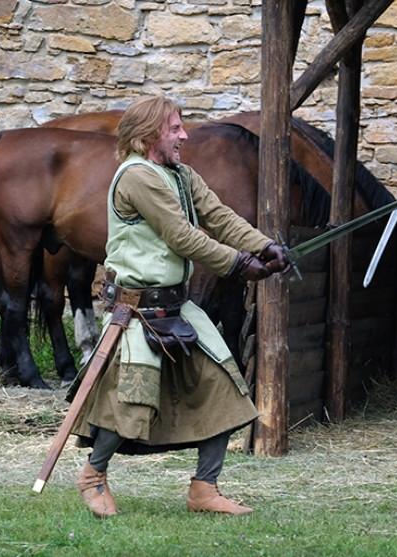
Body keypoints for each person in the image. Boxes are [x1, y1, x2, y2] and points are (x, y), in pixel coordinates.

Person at [69, 95, 289, 517]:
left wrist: (264, 245)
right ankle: (93, 475)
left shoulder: (181, 174)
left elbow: (218, 217)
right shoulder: (137, 176)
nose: (184, 135)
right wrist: (239, 263)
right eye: (175, 128)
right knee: (131, 402)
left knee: (224, 391)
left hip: (176, 307)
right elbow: (181, 236)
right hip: (135, 311)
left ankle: (204, 489)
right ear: (150, 134)